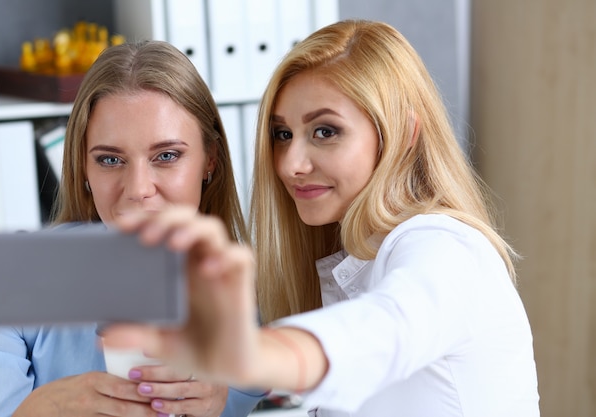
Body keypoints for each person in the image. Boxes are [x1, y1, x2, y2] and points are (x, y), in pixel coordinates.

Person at [103, 20, 541, 417]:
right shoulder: (344, 264)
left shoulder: (443, 247)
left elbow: (385, 329)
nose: (291, 163)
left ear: (403, 135)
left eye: (325, 131)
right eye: (282, 134)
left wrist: (247, 354)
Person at [0, 40, 264, 417]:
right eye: (110, 159)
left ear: (210, 161)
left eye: (167, 156)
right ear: (83, 168)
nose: (138, 190)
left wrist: (220, 400)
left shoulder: (251, 294)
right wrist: (43, 410)